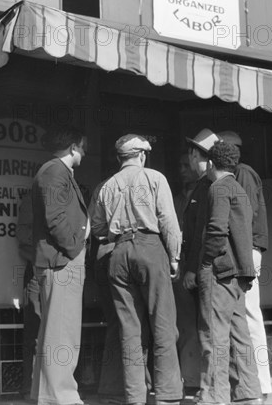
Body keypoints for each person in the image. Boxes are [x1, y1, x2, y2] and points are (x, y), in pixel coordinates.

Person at [91, 134, 183, 405]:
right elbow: (167, 220)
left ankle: (135, 398)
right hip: (150, 247)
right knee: (163, 323)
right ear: (142, 155)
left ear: (120, 158)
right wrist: (174, 257)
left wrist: (116, 232)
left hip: (118, 252)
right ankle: (167, 396)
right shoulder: (155, 178)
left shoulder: (107, 186)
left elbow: (97, 228)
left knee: (129, 330)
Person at [198, 141, 262, 405]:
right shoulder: (239, 188)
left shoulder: (218, 187)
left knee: (214, 334)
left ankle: (214, 396)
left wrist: (204, 262)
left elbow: (216, 228)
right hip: (240, 274)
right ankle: (249, 392)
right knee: (240, 334)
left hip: (220, 271)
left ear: (211, 164)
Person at [30, 126, 90, 404]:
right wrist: (76, 246)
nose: (85, 152)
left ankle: (50, 395)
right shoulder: (55, 171)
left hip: (58, 260)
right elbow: (54, 218)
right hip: (61, 261)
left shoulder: (53, 171)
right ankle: (62, 397)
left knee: (55, 332)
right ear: (73, 147)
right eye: (83, 146)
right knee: (62, 333)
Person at [217, 131, 272, 399]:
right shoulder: (235, 175)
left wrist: (249, 253)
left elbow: (245, 215)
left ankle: (259, 383)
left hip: (247, 250)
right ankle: (251, 383)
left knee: (249, 316)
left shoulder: (243, 173)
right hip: (244, 250)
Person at [179, 129, 219, 397]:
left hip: (205, 269)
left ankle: (210, 390)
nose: (189, 160)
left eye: (191, 155)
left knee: (209, 331)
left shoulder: (207, 187)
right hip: (206, 267)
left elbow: (202, 234)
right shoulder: (204, 186)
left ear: (196, 155)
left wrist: (193, 268)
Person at [88, 178, 125, 404]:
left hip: (105, 256)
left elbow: (94, 224)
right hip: (116, 254)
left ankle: (113, 387)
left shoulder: (103, 186)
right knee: (125, 324)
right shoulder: (150, 181)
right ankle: (114, 388)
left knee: (117, 323)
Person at [16, 190, 40, 400]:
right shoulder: (31, 201)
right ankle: (30, 389)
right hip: (37, 272)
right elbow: (23, 242)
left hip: (61, 275)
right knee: (34, 333)